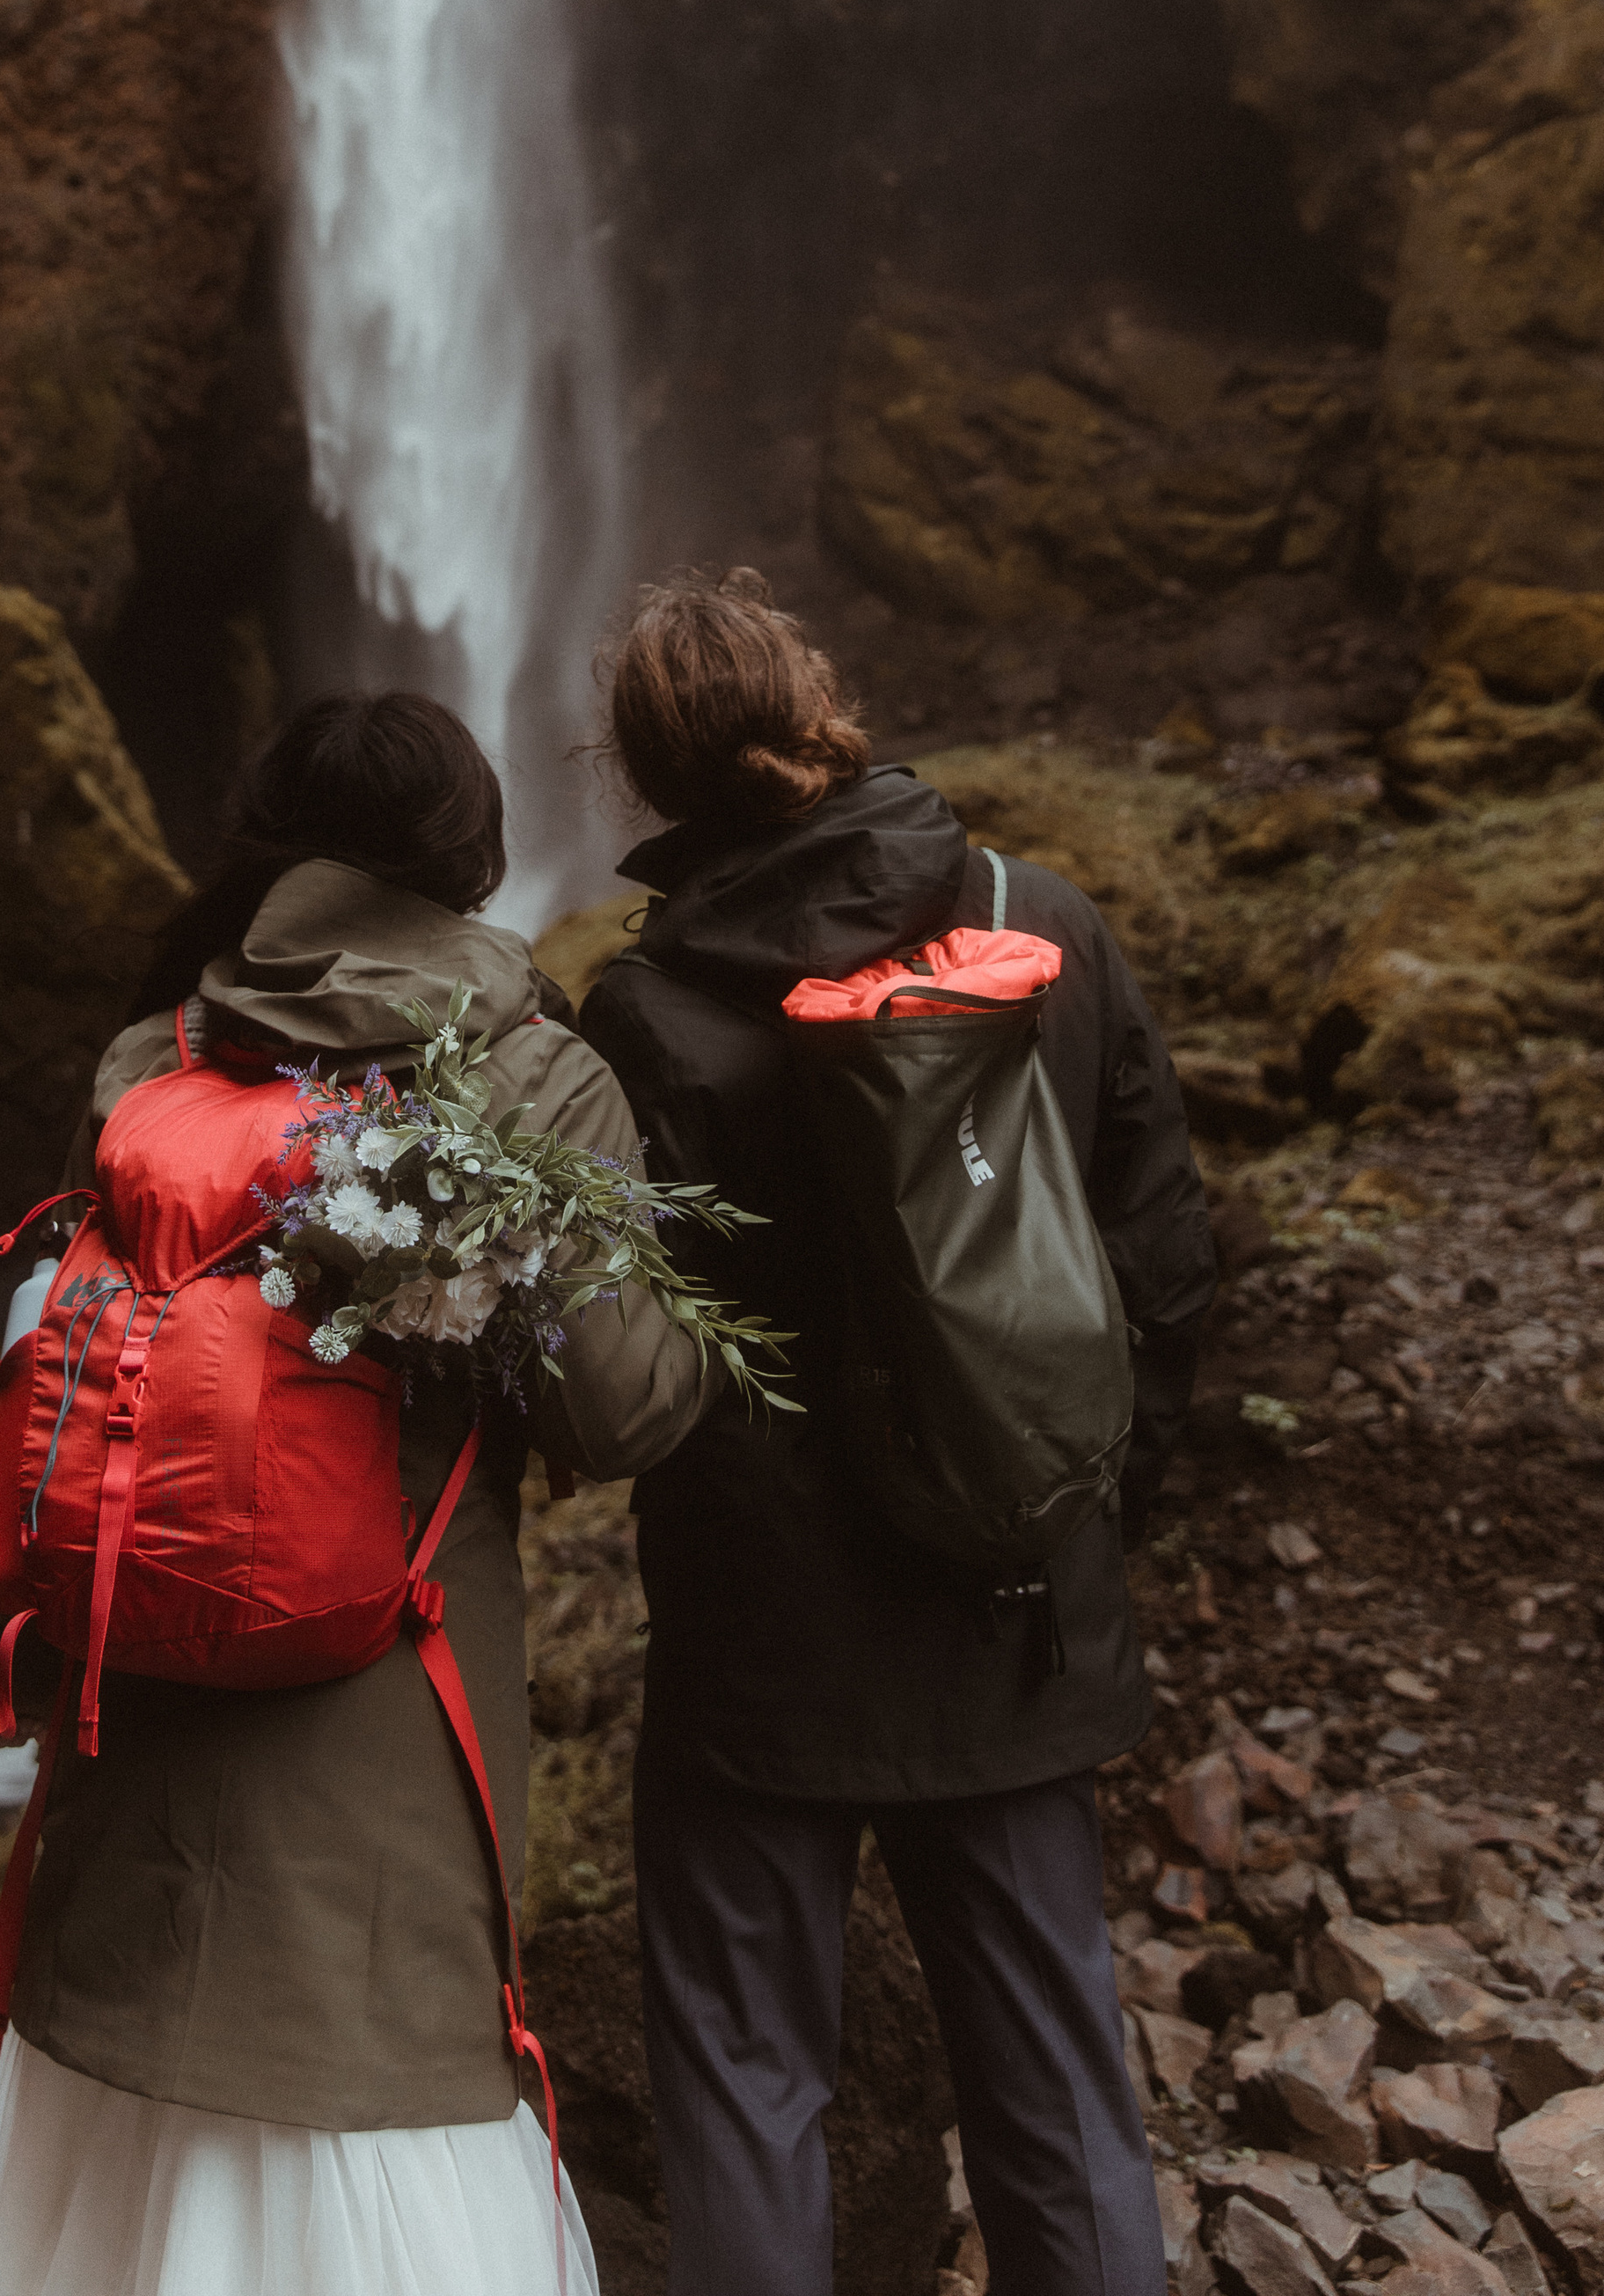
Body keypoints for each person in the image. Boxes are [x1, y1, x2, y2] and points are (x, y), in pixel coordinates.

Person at [0, 689, 714, 2296]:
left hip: (129, 1762)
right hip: (381, 1761)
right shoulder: (522, 1078)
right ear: (477, 858)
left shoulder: (155, 1052)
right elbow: (630, 1406)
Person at [577, 570, 1217, 2296]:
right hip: (1006, 1592)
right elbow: (1161, 1256)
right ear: (817, 706)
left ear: (640, 775)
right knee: (1053, 2077)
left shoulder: (640, 1012)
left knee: (743, 2078)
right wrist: (1078, 1506)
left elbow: (627, 1338)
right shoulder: (1044, 924)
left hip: (763, 1639)